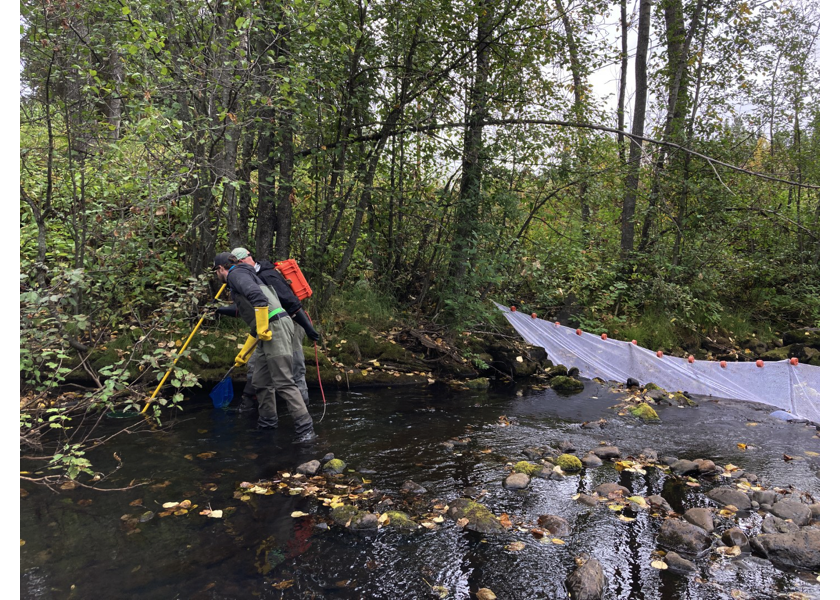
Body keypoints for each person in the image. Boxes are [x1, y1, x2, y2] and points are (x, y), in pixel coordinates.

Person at [212, 252, 317, 443]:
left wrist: (262, 327)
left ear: (221, 268)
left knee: (284, 381)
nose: (217, 276)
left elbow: (258, 299)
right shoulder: (245, 273)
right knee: (260, 381)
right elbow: (254, 319)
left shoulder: (235, 275)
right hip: (266, 328)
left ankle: (306, 430)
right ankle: (268, 425)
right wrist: (244, 353)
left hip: (274, 327)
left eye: (216, 272)